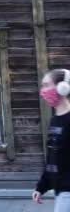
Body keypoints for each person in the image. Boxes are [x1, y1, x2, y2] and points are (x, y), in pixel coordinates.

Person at [33, 69, 70, 211]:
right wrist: (41, 187)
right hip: (60, 192)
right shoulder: (55, 120)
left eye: (47, 85)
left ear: (63, 87)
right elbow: (52, 159)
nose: (43, 91)